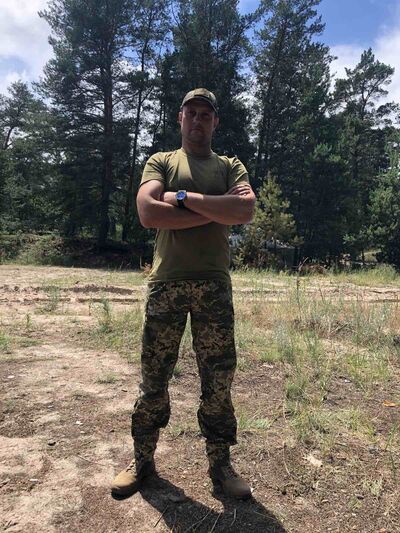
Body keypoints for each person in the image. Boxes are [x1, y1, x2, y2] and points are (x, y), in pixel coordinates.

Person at [111, 88, 256, 500]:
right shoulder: (161, 161)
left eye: (205, 115)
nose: (197, 120)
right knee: (153, 379)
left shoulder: (230, 166)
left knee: (218, 381)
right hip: (166, 284)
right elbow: (147, 213)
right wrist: (215, 209)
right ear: (180, 117)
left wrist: (181, 198)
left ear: (215, 122)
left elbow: (244, 211)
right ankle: (142, 461)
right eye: (191, 113)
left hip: (214, 286)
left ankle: (221, 467)